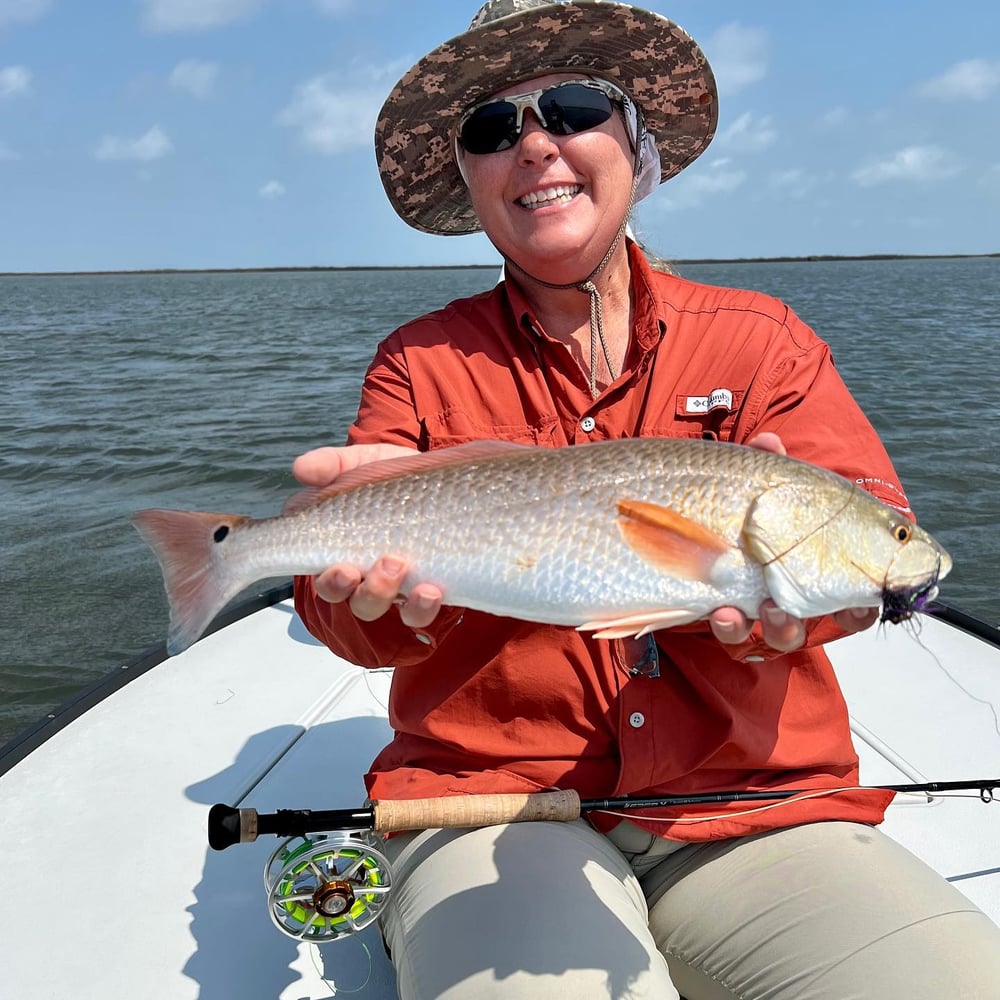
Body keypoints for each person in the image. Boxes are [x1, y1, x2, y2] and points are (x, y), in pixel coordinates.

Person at [293, 2, 1000, 997]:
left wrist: (774, 627)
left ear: (636, 142)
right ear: (470, 178)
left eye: (574, 107)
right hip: (490, 800)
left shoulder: (763, 340)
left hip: (752, 806)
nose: (535, 144)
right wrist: (370, 608)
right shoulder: (416, 363)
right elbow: (343, 620)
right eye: (493, 130)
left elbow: (871, 544)